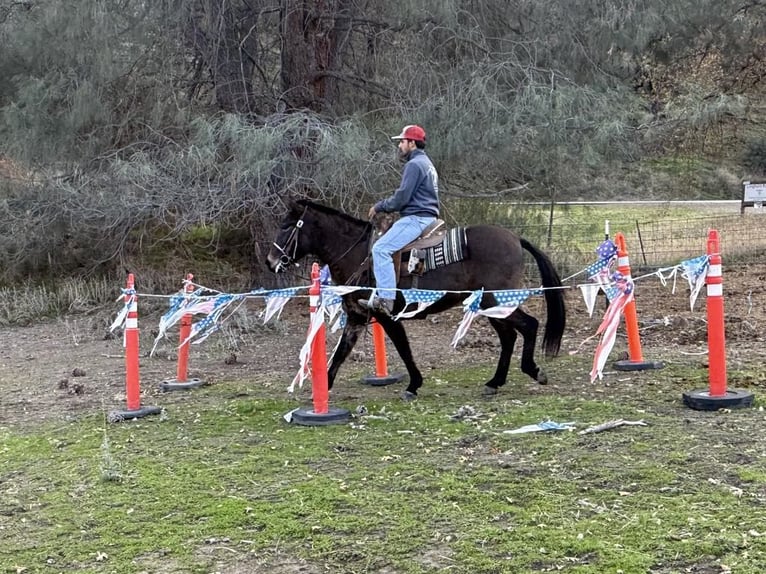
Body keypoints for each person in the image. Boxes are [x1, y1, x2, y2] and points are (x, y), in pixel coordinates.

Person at [359, 125, 440, 315]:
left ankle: (386, 300)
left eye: (402, 141)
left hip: (417, 218)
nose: (399, 146)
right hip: (427, 216)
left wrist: (379, 206)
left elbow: (401, 198)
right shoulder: (426, 163)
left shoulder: (414, 165)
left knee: (380, 249)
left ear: (412, 143)